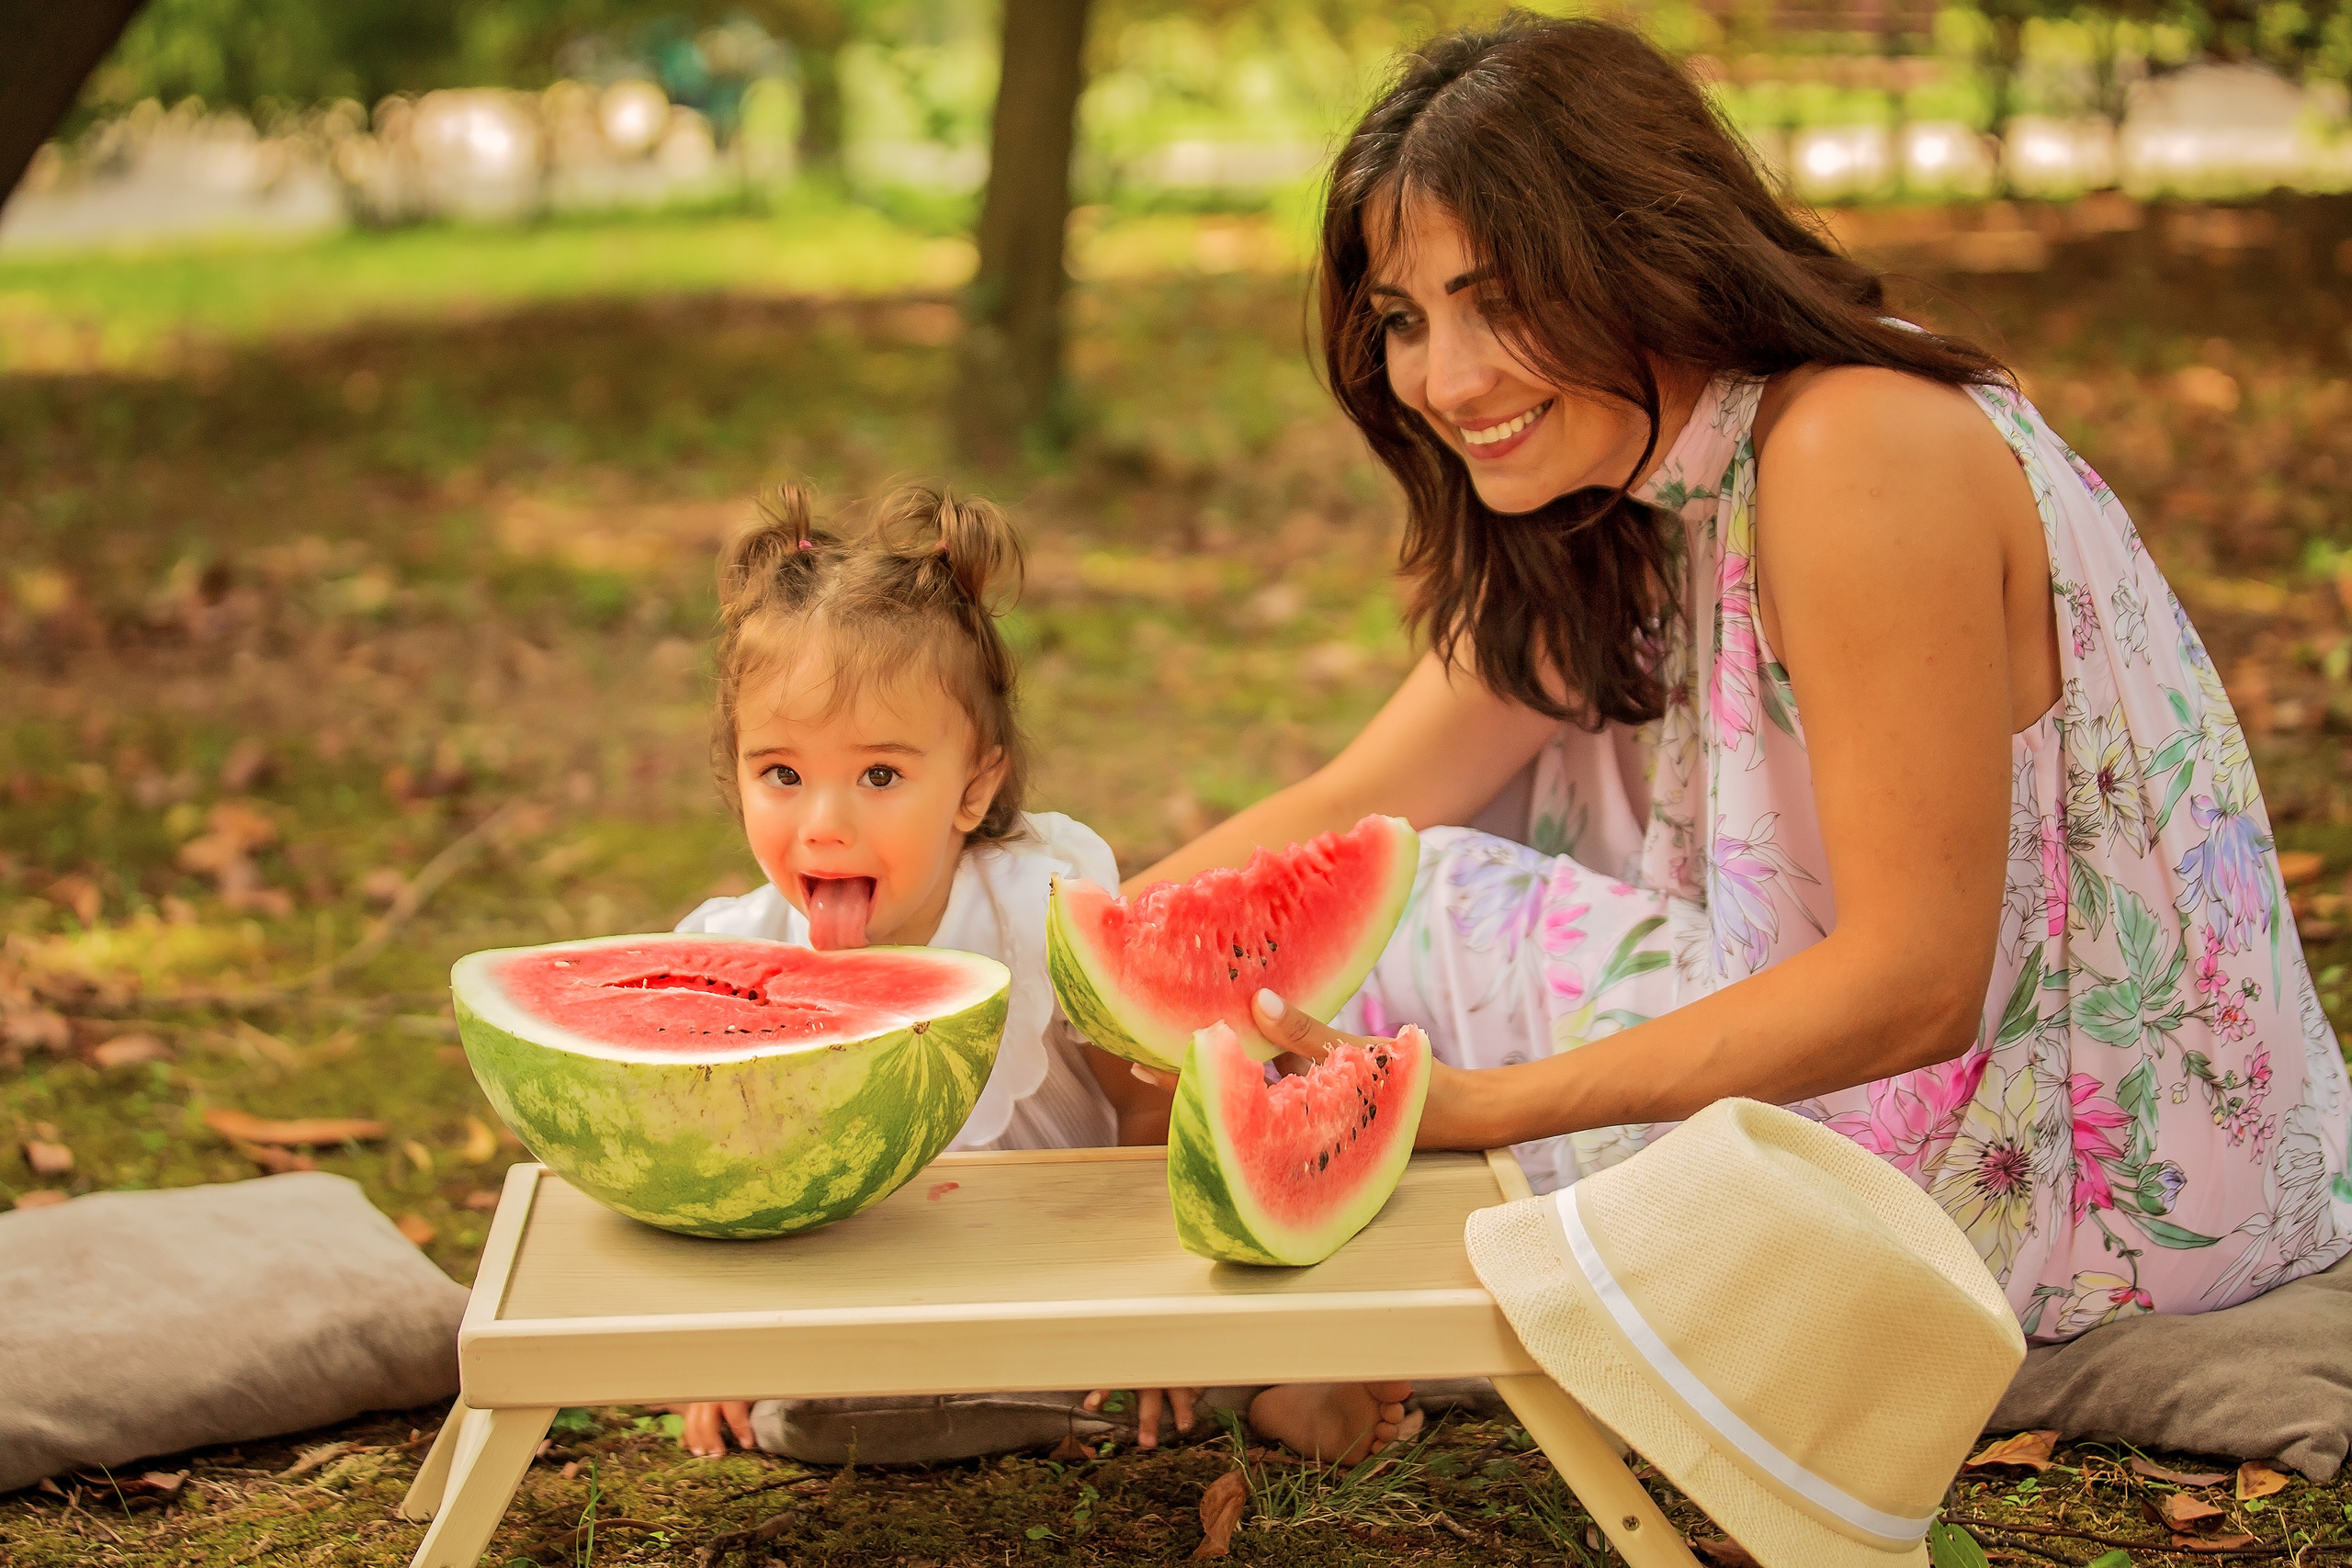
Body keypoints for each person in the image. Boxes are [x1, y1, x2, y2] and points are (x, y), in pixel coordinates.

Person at [1133, 12, 2352, 1430]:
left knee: (1431, 900)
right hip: (1950, 1134)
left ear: (1645, 253)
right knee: (1367, 875)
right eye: (1407, 321)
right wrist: (1061, 961)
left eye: (1499, 297)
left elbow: (1918, 982)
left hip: (2054, 1196)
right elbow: (1353, 800)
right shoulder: (1636, 476)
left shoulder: (1852, 448)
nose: (1448, 381)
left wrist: (1486, 1104)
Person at [662, 483, 1408, 1465]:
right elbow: (728, 1181)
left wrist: (1156, 1313)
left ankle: (1267, 1388)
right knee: (795, 1413)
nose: (823, 823)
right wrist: (719, 1348)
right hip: (878, 1300)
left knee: (1182, 1351)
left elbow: (1150, 1112)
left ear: (974, 787)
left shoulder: (1037, 912)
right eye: (781, 775)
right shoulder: (733, 959)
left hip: (1083, 1273)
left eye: (879, 776)